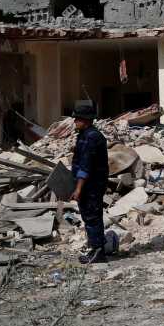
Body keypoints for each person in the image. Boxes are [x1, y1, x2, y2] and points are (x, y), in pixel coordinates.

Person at [68, 100, 113, 264]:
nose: (75, 122)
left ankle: (99, 252)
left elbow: (86, 166)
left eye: (77, 119)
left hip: (91, 185)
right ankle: (95, 248)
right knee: (89, 217)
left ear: (85, 120)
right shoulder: (85, 135)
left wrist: (78, 189)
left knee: (93, 217)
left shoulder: (91, 137)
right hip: (90, 184)